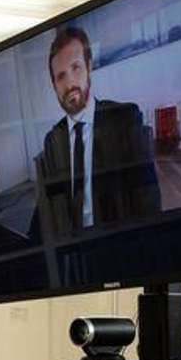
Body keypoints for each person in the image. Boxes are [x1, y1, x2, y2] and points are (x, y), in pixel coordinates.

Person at [34, 25, 161, 233]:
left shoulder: (124, 118)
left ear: (89, 66)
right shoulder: (52, 139)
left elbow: (150, 204)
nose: (70, 83)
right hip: (74, 254)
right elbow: (48, 217)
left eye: (76, 67)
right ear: (54, 86)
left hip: (120, 242)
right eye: (61, 76)